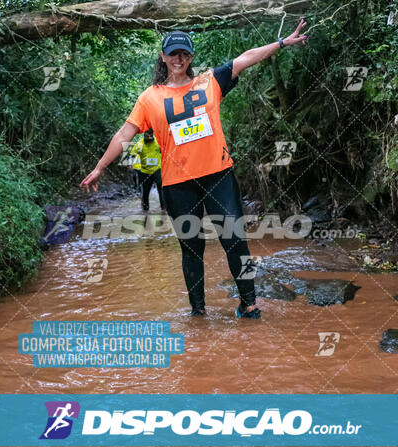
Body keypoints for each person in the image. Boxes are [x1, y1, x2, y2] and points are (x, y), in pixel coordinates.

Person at [80, 21, 307, 318]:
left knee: (235, 240)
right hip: (177, 184)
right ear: (163, 57)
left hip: (218, 176)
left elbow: (246, 58)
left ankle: (249, 304)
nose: (178, 59)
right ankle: (198, 313)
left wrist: (281, 43)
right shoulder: (149, 98)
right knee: (192, 249)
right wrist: (99, 167)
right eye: (173, 54)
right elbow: (124, 134)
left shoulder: (209, 81)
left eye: (184, 54)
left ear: (191, 57)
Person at [129, 129, 164, 211]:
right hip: (145, 172)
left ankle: (164, 209)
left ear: (153, 136)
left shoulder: (158, 142)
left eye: (150, 136)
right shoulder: (140, 144)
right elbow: (132, 155)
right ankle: (145, 211)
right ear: (144, 135)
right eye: (146, 136)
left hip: (157, 170)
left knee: (161, 190)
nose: (148, 138)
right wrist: (130, 164)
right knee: (145, 192)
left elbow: (165, 151)